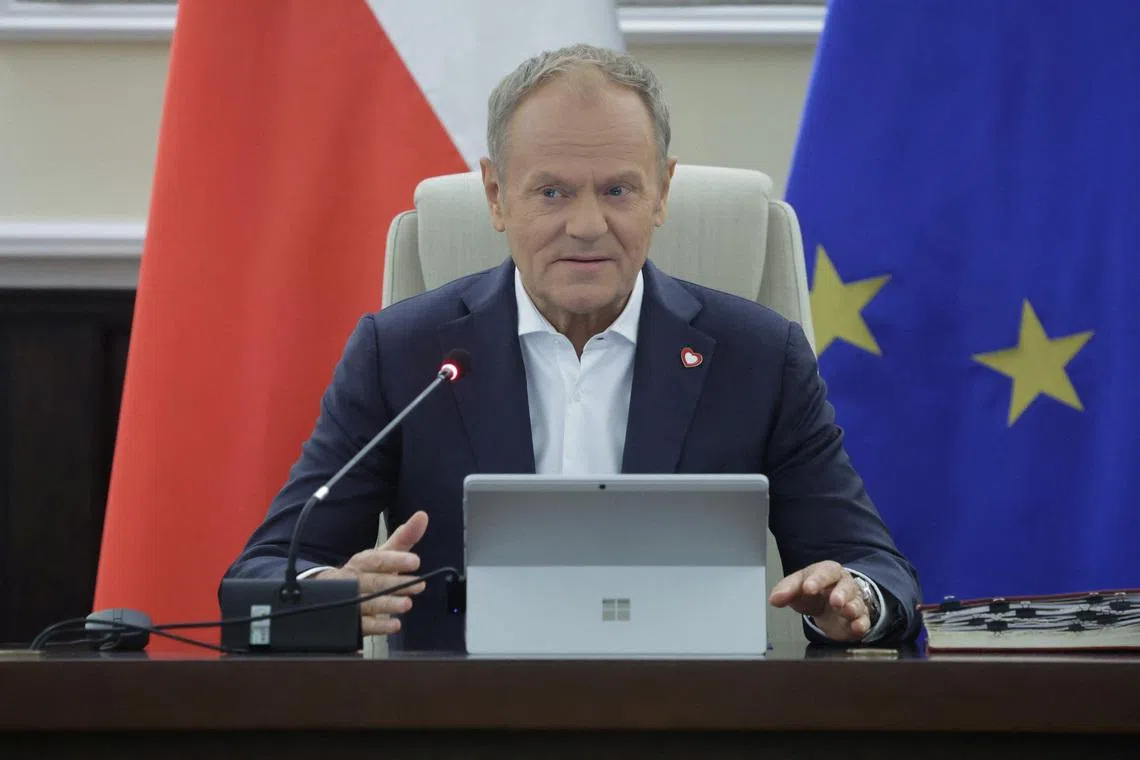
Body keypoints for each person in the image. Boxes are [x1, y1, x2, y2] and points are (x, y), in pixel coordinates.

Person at [224, 44, 922, 650]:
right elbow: (258, 580)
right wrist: (331, 594)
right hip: (465, 729)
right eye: (552, 192)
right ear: (497, 196)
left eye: (617, 190)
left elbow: (876, 570)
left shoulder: (759, 357)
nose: (587, 225)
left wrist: (850, 599)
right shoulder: (403, 355)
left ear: (661, 193)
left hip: (691, 725)